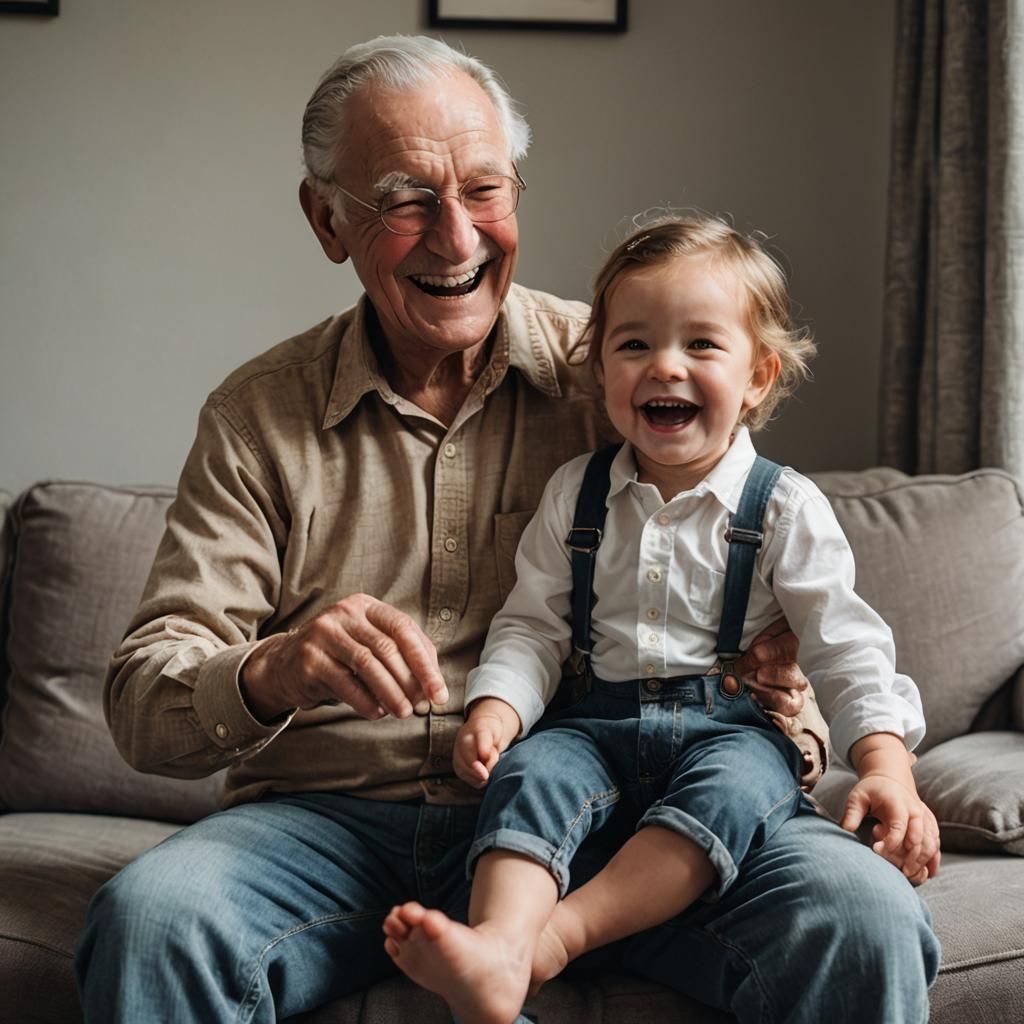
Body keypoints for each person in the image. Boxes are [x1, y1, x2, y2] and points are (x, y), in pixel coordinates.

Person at [72, 34, 939, 1024]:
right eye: (404, 199)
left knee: (858, 917)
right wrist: (278, 665)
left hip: (618, 818)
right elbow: (144, 700)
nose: (455, 236)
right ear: (326, 220)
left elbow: (789, 605)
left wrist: (805, 724)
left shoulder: (620, 370)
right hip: (334, 827)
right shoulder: (259, 415)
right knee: (153, 919)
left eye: (483, 190)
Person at [381, 216, 941, 1024]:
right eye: (635, 345)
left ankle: (558, 937)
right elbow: (532, 624)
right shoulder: (577, 492)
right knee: (529, 776)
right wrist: (497, 709)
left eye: (702, 346)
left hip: (729, 731)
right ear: (600, 367)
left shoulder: (784, 507)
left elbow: (844, 645)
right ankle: (499, 948)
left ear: (758, 376)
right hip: (592, 721)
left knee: (732, 790)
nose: (665, 366)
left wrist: (887, 766)